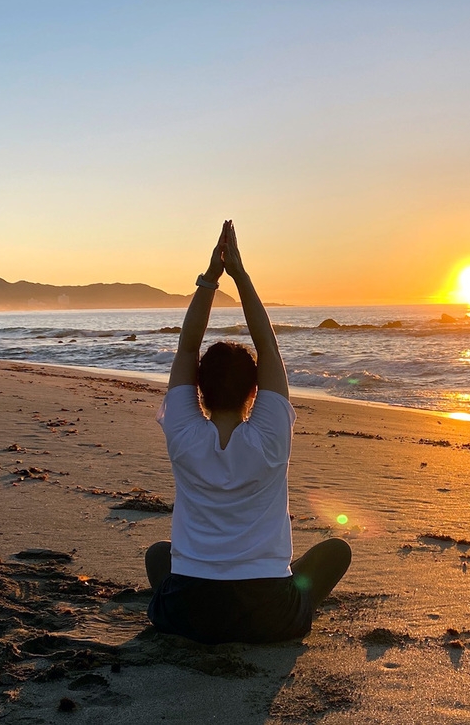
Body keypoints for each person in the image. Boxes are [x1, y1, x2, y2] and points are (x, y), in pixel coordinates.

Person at [144, 220, 351, 644]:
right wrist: (240, 276)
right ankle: (286, 594)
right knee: (336, 552)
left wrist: (210, 279)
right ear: (255, 390)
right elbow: (269, 347)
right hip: (268, 616)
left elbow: (186, 347)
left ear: (198, 390)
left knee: (159, 555)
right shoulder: (271, 437)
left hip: (187, 612)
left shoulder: (183, 431)